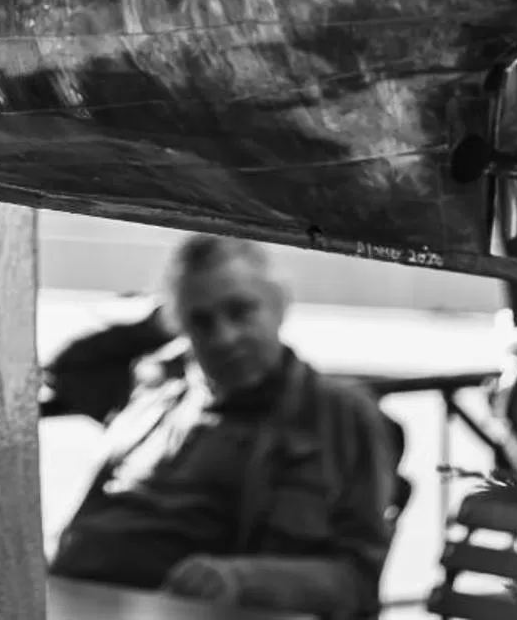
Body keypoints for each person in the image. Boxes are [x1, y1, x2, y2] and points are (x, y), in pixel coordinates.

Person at [48, 235, 405, 619]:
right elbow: (70, 367)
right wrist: (165, 318)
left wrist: (242, 580)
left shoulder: (340, 413)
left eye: (240, 311)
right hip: (72, 594)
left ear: (279, 304)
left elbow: (358, 581)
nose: (223, 338)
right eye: (201, 321)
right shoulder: (159, 390)